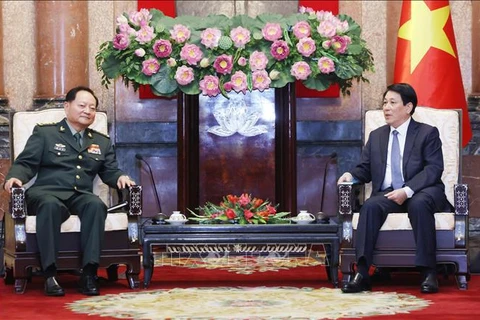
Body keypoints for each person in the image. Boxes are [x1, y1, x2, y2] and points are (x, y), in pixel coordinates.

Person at [3, 86, 136, 297]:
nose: (87, 111)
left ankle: (90, 273)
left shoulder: (100, 141)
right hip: (47, 192)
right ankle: (49, 275)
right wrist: (15, 177)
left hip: (80, 195)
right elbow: (26, 163)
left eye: (92, 108)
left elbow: (109, 171)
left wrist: (120, 177)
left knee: (96, 205)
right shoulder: (46, 133)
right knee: (50, 205)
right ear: (67, 106)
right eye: (82, 105)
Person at [337, 83, 450, 294]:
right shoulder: (377, 136)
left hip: (422, 191)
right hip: (389, 193)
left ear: (408, 107)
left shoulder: (427, 133)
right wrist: (350, 175)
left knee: (418, 204)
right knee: (369, 206)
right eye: (384, 103)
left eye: (392, 103)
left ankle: (428, 272)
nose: (386, 108)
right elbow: (365, 169)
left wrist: (407, 190)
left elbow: (434, 169)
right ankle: (362, 273)